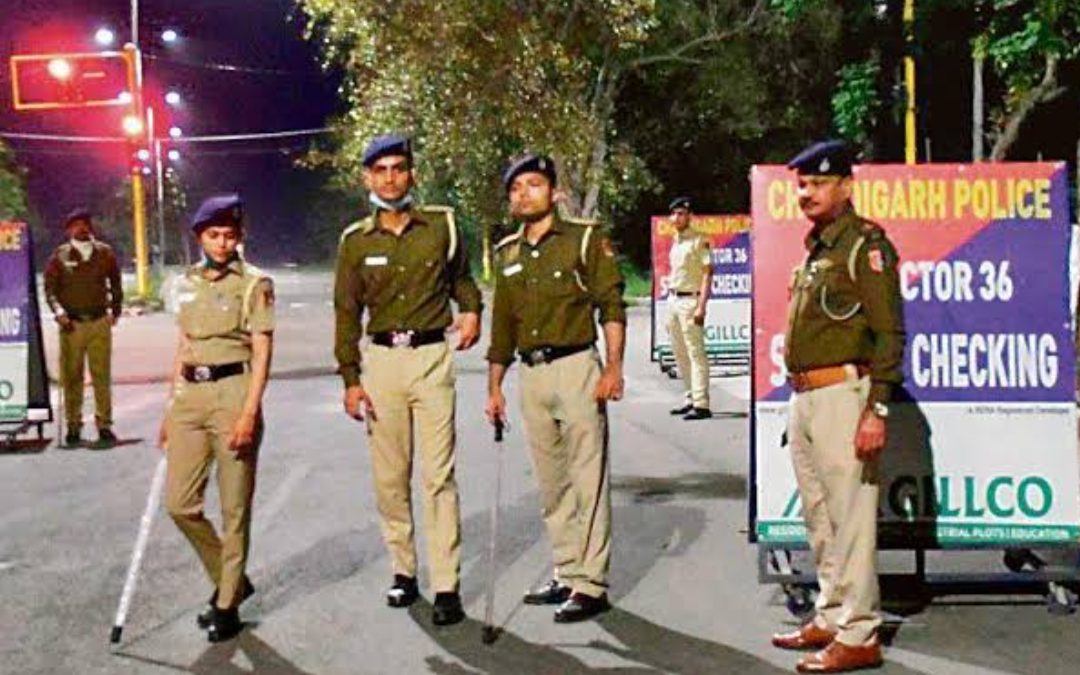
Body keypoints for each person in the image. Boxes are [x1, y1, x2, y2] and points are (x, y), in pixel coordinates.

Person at [333, 134, 482, 627]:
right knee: (390, 477)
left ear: (412, 173)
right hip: (382, 363)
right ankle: (403, 571)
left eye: (398, 168)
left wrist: (472, 310)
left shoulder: (441, 225)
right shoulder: (356, 241)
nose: (390, 178)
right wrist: (350, 378)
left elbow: (462, 278)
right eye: (381, 170)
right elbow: (346, 312)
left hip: (431, 358)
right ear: (367, 178)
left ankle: (447, 584)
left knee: (438, 476)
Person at [770, 140, 905, 673]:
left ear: (847, 186)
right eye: (802, 185)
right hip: (807, 397)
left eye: (819, 183)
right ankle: (830, 614)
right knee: (820, 518)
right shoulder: (818, 249)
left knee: (851, 521)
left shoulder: (864, 246)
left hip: (845, 398)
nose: (807, 193)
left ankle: (859, 632)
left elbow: (889, 333)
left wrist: (877, 409)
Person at [485, 153, 626, 623]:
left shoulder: (584, 239)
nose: (524, 194)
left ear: (555, 192)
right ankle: (567, 571)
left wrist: (614, 368)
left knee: (587, 477)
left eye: (534, 184)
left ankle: (592, 584)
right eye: (516, 188)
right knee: (552, 483)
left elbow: (611, 306)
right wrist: (494, 387)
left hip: (576, 367)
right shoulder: (508, 253)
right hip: (532, 374)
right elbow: (502, 327)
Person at [159, 194, 273, 643]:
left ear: (239, 237)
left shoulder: (254, 284)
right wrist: (170, 407)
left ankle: (227, 603)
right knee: (180, 504)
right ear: (199, 237)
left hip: (233, 392)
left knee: (234, 509)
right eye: (213, 235)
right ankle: (233, 578)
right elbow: (183, 344)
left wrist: (249, 412)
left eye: (229, 235)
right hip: (190, 397)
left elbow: (262, 351)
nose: (222, 243)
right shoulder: (184, 282)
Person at [43, 208, 123, 449]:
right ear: (69, 230)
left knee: (101, 376)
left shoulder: (104, 253)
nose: (82, 228)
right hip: (72, 325)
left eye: (85, 223)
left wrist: (115, 310)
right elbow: (50, 289)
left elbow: (115, 282)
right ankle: (73, 425)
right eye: (76, 224)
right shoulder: (60, 256)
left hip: (99, 321)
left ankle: (104, 424)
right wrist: (58, 311)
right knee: (72, 377)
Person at [664, 196, 713, 420]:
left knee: (695, 352)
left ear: (689, 216)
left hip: (690, 300)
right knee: (679, 351)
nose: (677, 218)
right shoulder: (676, 240)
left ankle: (701, 403)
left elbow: (707, 273)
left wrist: (701, 306)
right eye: (674, 214)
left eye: (681, 214)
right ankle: (690, 396)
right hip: (674, 299)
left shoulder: (698, 240)